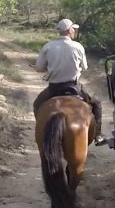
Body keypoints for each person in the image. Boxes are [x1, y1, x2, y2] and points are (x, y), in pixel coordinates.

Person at [33, 18, 106, 146]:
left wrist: (49, 68)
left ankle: (42, 131)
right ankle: (98, 135)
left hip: (54, 88)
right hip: (74, 87)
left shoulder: (48, 46)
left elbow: (39, 68)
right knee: (97, 104)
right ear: (68, 30)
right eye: (73, 29)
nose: (74, 31)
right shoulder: (78, 46)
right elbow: (84, 67)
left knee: (37, 104)